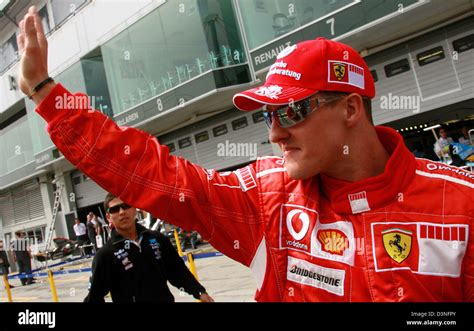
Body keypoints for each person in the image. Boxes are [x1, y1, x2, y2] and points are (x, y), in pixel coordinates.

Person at [17, 7, 473, 301]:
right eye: (267, 115)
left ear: (351, 108)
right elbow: (154, 174)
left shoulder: (462, 205)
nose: (275, 134)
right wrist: (47, 95)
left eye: (291, 110)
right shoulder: (266, 199)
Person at [84, 193, 214, 302]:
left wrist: (199, 292)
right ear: (108, 217)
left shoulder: (157, 239)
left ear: (135, 208)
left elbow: (177, 270)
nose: (122, 212)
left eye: (126, 206)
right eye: (115, 209)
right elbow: (95, 296)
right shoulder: (105, 255)